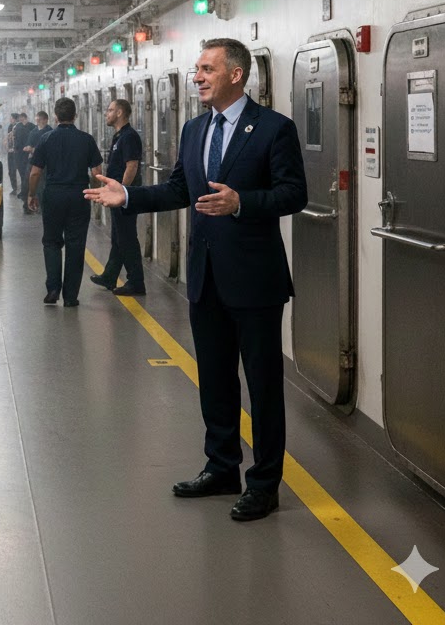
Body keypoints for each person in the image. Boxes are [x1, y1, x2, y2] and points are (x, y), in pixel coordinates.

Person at [84, 38, 306, 521]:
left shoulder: (273, 129)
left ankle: (264, 483)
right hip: (204, 276)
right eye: (197, 70)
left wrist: (242, 202)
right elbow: (182, 189)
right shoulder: (193, 130)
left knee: (264, 387)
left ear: (236, 75)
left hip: (255, 281)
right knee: (216, 380)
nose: (198, 77)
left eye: (207, 69)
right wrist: (130, 197)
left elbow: (293, 193)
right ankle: (222, 466)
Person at [27, 97, 103, 307]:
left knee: (51, 242)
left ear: (55, 116)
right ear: (75, 115)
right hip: (79, 196)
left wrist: (32, 194)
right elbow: (97, 172)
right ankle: (71, 297)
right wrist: (96, 193)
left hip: (53, 196)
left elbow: (35, 173)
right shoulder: (86, 139)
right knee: (75, 245)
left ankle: (53, 289)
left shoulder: (46, 139)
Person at [90, 98, 146, 296]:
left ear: (120, 113)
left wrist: (122, 192)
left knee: (127, 238)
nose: (107, 113)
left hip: (125, 196)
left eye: (110, 110)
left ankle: (136, 282)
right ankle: (110, 275)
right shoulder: (119, 136)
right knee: (119, 237)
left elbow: (132, 166)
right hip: (119, 194)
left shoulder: (129, 136)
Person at [25, 110, 53, 208]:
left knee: (42, 184)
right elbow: (29, 143)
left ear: (45, 120)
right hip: (33, 160)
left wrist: (33, 149)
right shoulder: (33, 131)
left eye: (39, 120)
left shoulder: (50, 132)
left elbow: (49, 148)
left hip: (45, 163)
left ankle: (42, 205)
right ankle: (30, 203)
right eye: (36, 120)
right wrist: (28, 148)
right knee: (29, 182)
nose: (37, 122)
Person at [13, 111, 33, 212]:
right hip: (24, 156)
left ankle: (27, 201)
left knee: (26, 178)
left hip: (25, 156)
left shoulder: (22, 128)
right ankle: (27, 200)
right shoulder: (23, 127)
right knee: (25, 178)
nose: (20, 121)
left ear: (24, 118)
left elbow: (16, 141)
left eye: (21, 119)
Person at [5, 112, 19, 196]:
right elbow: (8, 137)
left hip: (16, 152)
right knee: (11, 171)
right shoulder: (10, 127)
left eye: (11, 118)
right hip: (10, 152)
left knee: (18, 170)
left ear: (15, 119)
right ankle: (14, 188)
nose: (10, 120)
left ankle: (21, 188)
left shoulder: (19, 127)